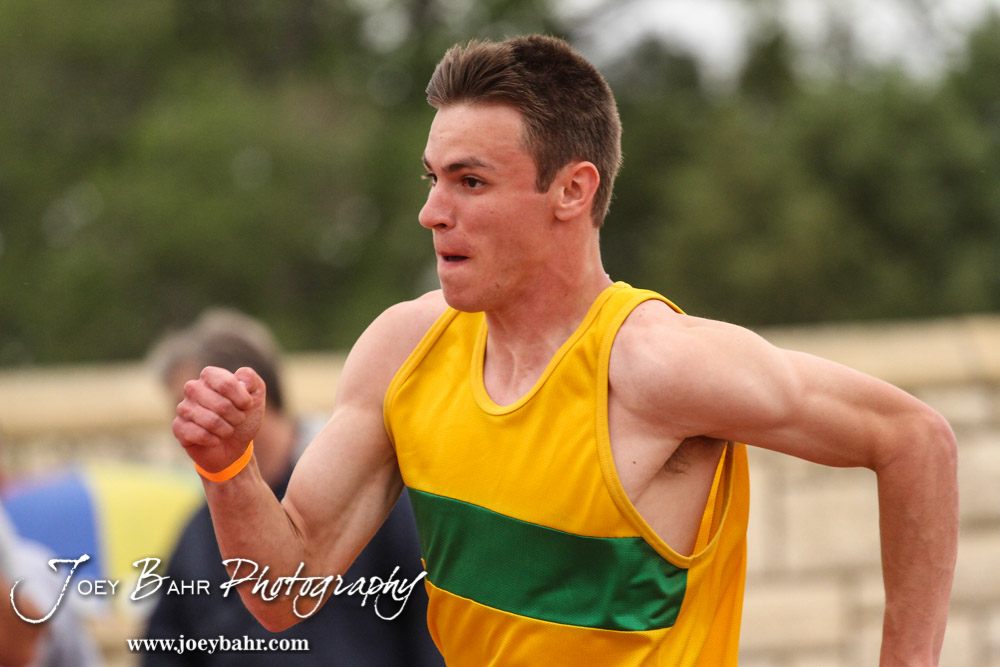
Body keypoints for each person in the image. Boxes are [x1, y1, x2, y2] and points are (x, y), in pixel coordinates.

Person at [170, 35, 959, 666]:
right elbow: (285, 592)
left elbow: (914, 438)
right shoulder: (403, 349)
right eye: (432, 178)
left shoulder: (654, 364)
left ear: (572, 190)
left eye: (469, 182)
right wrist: (229, 469)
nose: (431, 212)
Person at [143, 309, 443, 666]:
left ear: (248, 389)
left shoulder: (367, 492)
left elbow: (428, 621)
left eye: (195, 404)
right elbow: (165, 648)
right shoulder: (197, 533)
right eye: (180, 410)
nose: (183, 425)